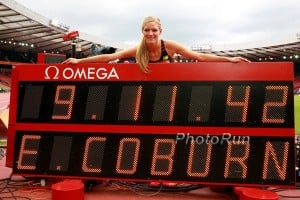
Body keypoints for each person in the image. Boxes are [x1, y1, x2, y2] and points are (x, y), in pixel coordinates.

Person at [63, 16, 250, 73]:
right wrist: (79, 62)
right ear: (142, 32)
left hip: (169, 88)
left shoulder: (169, 47)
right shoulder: (138, 49)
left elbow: (199, 57)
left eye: (154, 30)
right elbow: (110, 57)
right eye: (147, 30)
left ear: (160, 31)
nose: (150, 33)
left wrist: (229, 59)